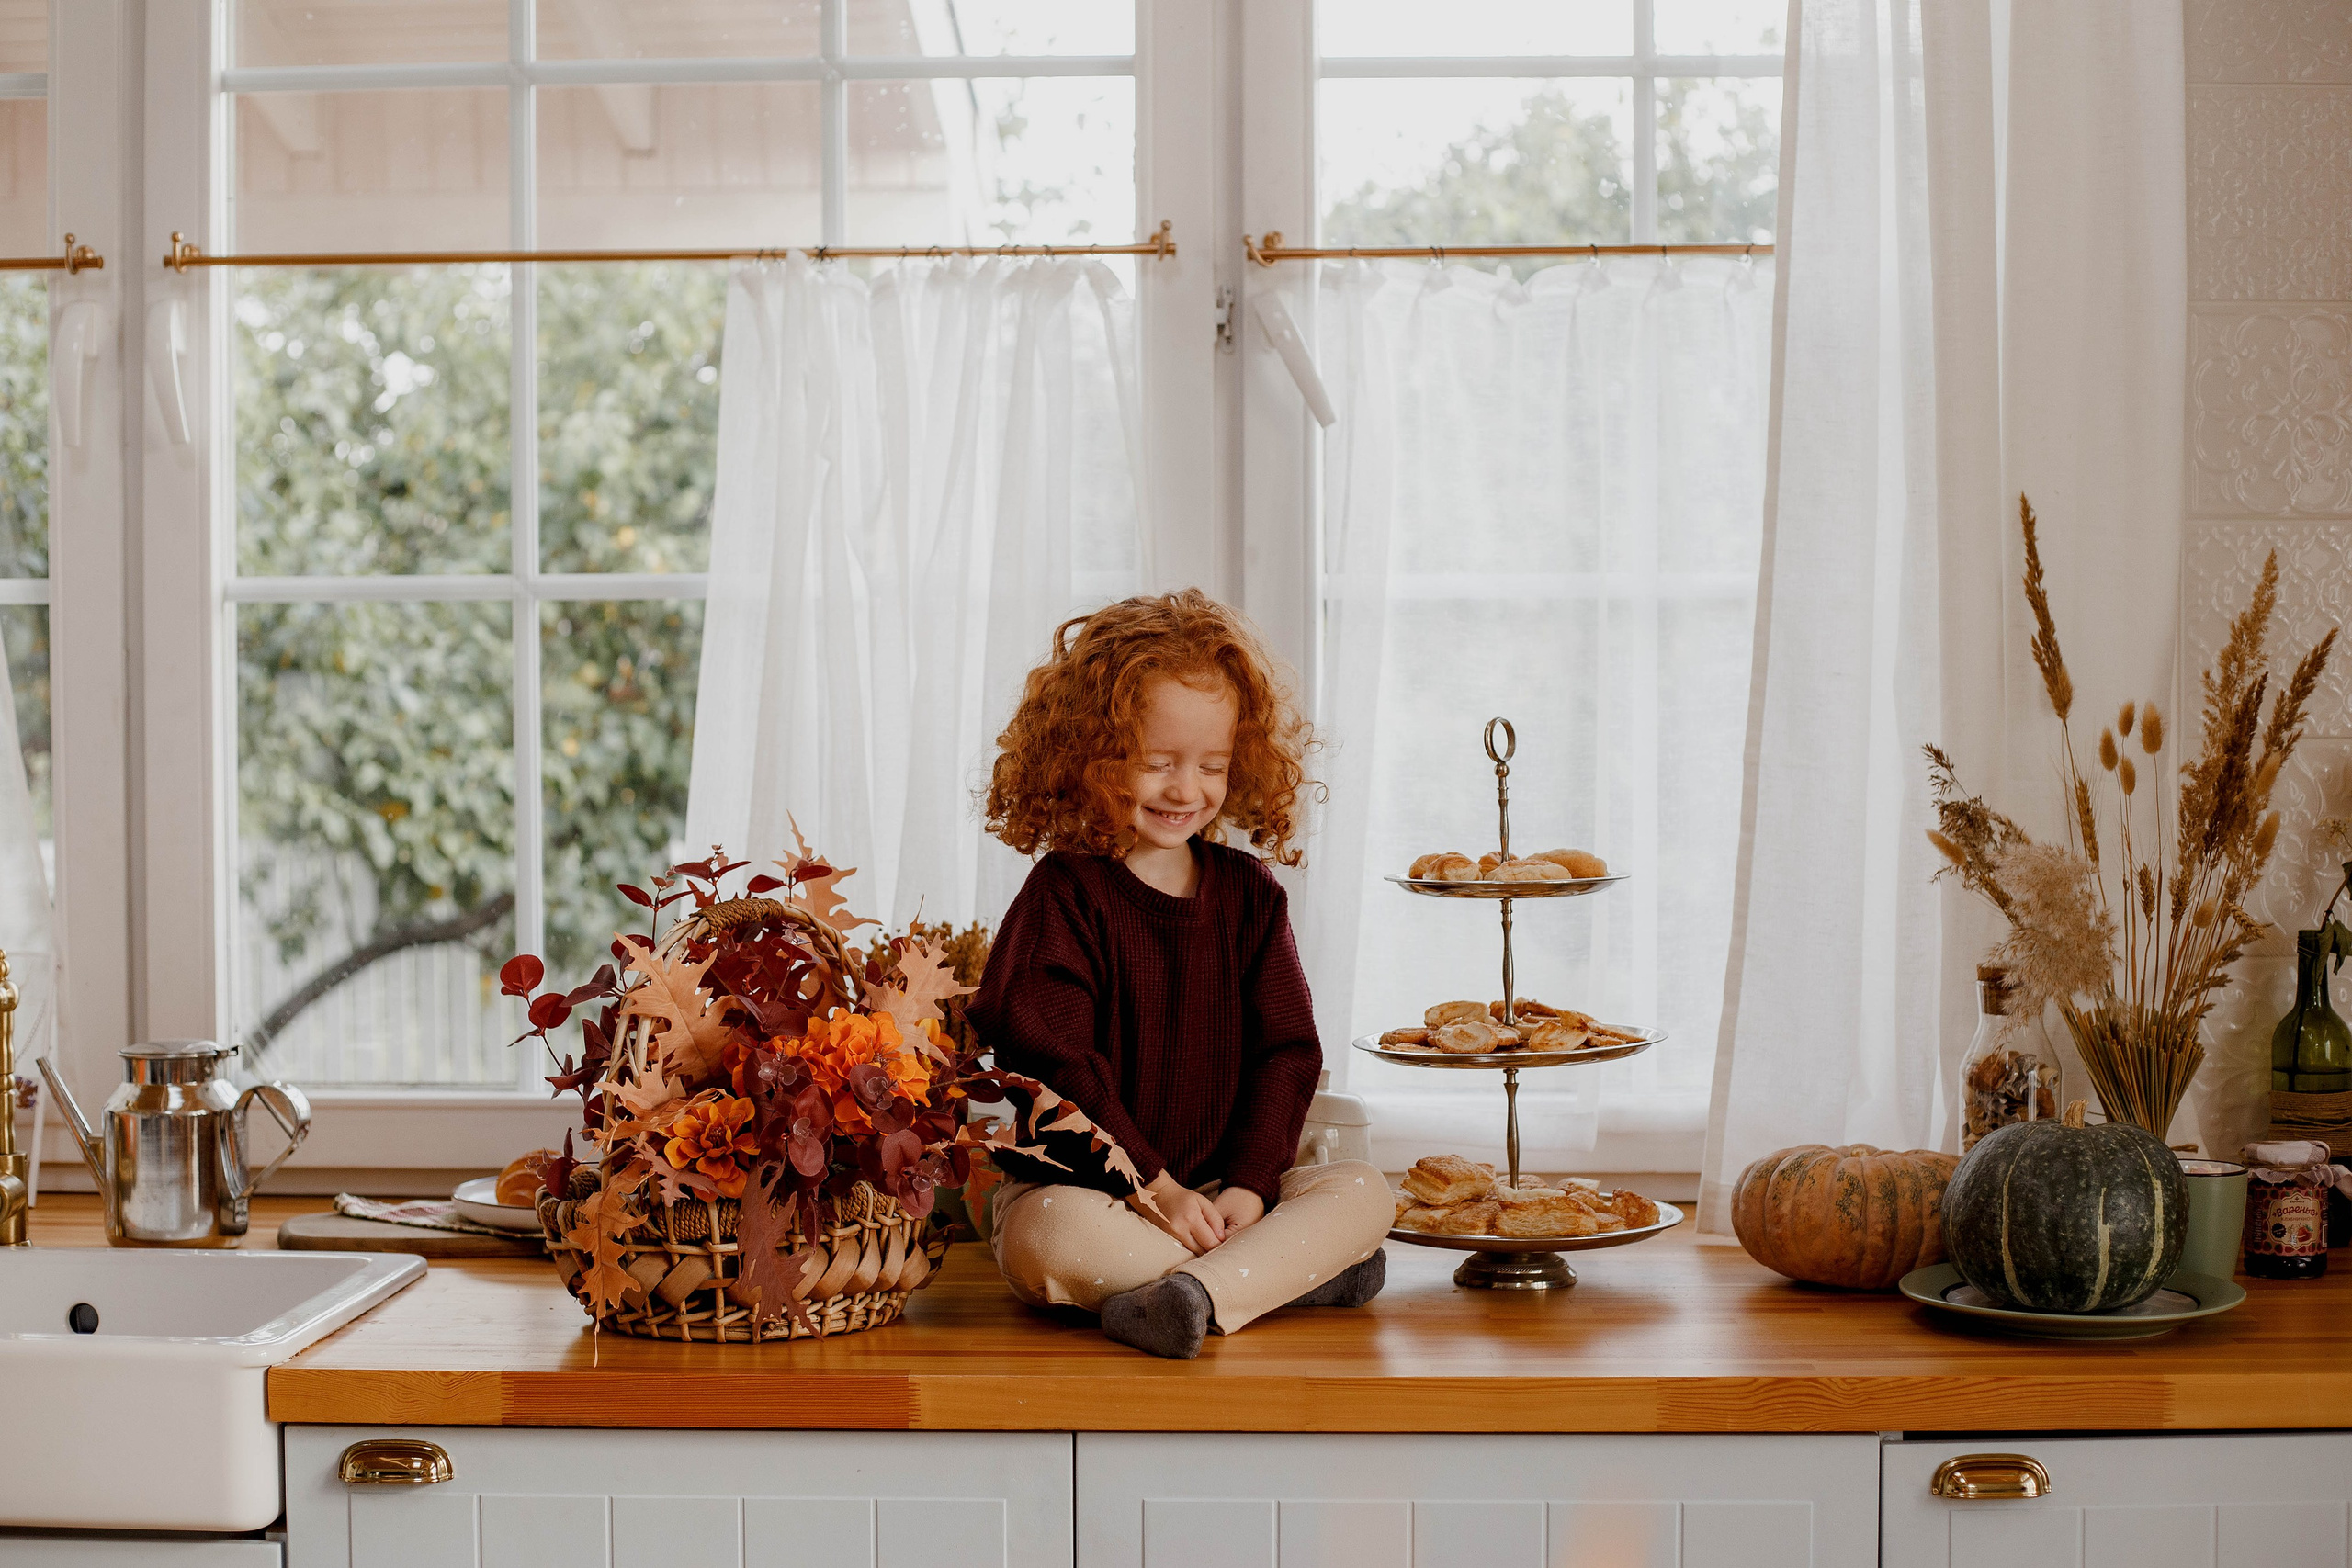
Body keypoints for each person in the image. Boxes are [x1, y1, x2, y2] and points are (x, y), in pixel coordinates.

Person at [966, 590, 1392, 1359]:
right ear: (1092, 756)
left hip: (1227, 1198)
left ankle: (1194, 1292)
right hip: (1095, 1196)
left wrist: (1252, 1189)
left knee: (1365, 1191)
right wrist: (1156, 1187)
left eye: (1212, 766)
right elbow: (1058, 1060)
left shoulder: (1250, 894)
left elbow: (1288, 1054)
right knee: (1046, 1239)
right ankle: (1275, 1281)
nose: (1185, 789)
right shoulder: (1065, 893)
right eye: (1157, 763)